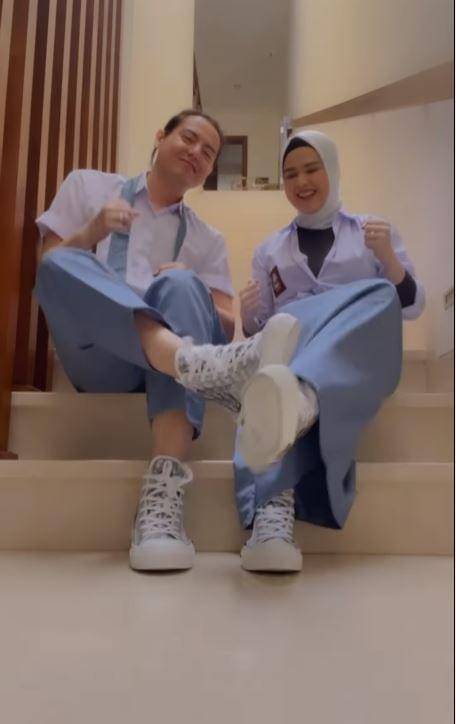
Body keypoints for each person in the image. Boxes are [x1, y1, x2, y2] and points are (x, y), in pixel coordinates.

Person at [34, 109, 300, 572]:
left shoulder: (206, 239)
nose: (197, 153)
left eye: (209, 152)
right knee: (58, 265)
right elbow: (50, 268)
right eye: (189, 138)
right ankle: (185, 360)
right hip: (100, 360)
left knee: (179, 286)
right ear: (161, 136)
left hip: (168, 369)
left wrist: (193, 283)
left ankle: (162, 500)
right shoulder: (89, 186)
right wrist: (92, 232)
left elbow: (227, 324)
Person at [236, 129, 425, 573]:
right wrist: (247, 317)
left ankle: (288, 415)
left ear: (333, 170)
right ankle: (272, 517)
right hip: (294, 354)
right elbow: (261, 332)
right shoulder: (269, 250)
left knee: (377, 295)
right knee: (282, 339)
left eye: (311, 169)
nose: (301, 182)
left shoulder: (373, 231)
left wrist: (388, 259)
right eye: (290, 174)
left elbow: (412, 306)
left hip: (358, 360)